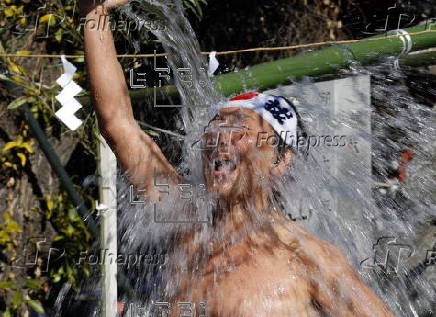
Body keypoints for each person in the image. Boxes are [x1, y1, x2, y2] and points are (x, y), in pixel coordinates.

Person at [80, 1, 395, 316]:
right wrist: (94, 12)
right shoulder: (184, 218)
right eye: (216, 126)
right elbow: (118, 123)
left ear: (280, 161)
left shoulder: (308, 258)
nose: (220, 138)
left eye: (239, 129)